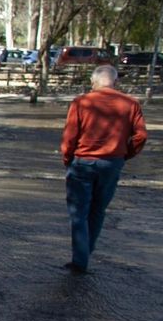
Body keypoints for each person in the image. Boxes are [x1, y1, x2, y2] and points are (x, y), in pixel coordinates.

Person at [60, 64, 147, 273]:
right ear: (115, 82)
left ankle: (80, 260)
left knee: (78, 212)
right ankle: (85, 253)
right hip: (112, 162)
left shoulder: (81, 103)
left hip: (83, 161)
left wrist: (67, 158)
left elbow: (70, 136)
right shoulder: (130, 104)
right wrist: (126, 154)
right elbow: (141, 135)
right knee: (98, 210)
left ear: (93, 82)